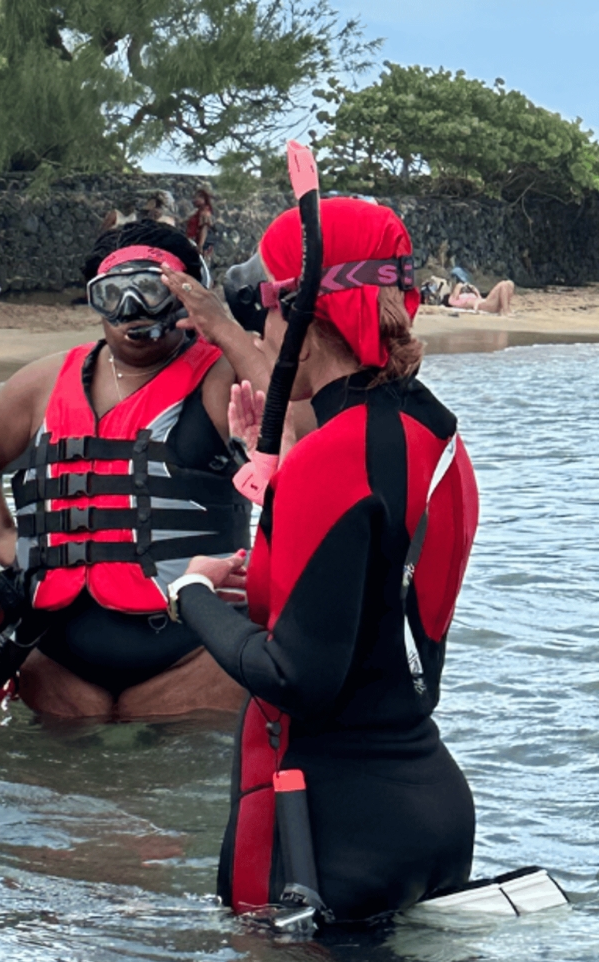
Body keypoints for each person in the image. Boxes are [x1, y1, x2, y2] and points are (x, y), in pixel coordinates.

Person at [169, 197, 479, 924]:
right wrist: (275, 479)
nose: (261, 331)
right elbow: (376, 577)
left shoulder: (332, 462)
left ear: (305, 325)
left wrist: (190, 593)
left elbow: (295, 677)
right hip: (428, 810)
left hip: (328, 831)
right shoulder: (433, 429)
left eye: (266, 312)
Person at [0, 221, 267, 720]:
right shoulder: (45, 381)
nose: (131, 310)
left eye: (153, 290)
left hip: (195, 658)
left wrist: (224, 328)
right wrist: (1, 535)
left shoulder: (220, 372)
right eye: (113, 294)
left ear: (187, 295)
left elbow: (301, 431)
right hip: (58, 665)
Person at [449, 278, 515, 315]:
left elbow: (479, 297)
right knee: (503, 284)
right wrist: (460, 286)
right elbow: (452, 299)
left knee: (510, 283)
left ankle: (506, 309)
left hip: (485, 302)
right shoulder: (457, 300)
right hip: (484, 305)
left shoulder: (473, 295)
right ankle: (506, 311)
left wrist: (474, 289)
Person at [185, 188, 216, 259]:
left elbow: (204, 228)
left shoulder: (205, 213)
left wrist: (200, 245)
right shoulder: (198, 212)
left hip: (199, 245)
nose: (195, 200)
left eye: (197, 197)